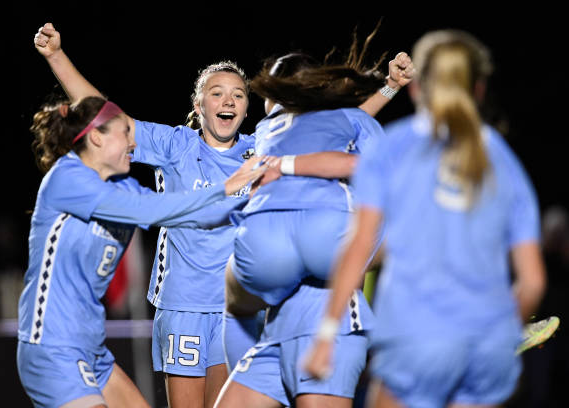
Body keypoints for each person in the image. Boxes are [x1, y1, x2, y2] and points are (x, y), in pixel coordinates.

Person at [33, 22, 383, 408]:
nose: (228, 100)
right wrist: (56, 57)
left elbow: (330, 131)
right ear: (199, 107)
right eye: (216, 94)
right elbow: (106, 121)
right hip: (183, 305)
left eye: (238, 94)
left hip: (235, 308)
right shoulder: (175, 145)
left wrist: (388, 90)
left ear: (249, 108)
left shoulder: (260, 149)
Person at [305, 29, 547, 408]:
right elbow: (532, 282)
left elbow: (357, 250)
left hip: (416, 341)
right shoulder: (504, 162)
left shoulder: (392, 148)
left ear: (417, 90)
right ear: (480, 90)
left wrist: (325, 333)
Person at [17, 95, 266, 408]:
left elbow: (187, 213)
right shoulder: (68, 178)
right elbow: (155, 208)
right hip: (53, 348)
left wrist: (250, 200)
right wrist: (225, 187)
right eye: (125, 133)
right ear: (96, 137)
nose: (133, 144)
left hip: (91, 349)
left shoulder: (121, 187)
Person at [215, 36, 414, 407]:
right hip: (299, 299)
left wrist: (389, 88)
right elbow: (359, 145)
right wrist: (389, 89)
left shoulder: (267, 129)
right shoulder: (349, 119)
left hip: (271, 260)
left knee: (233, 299)